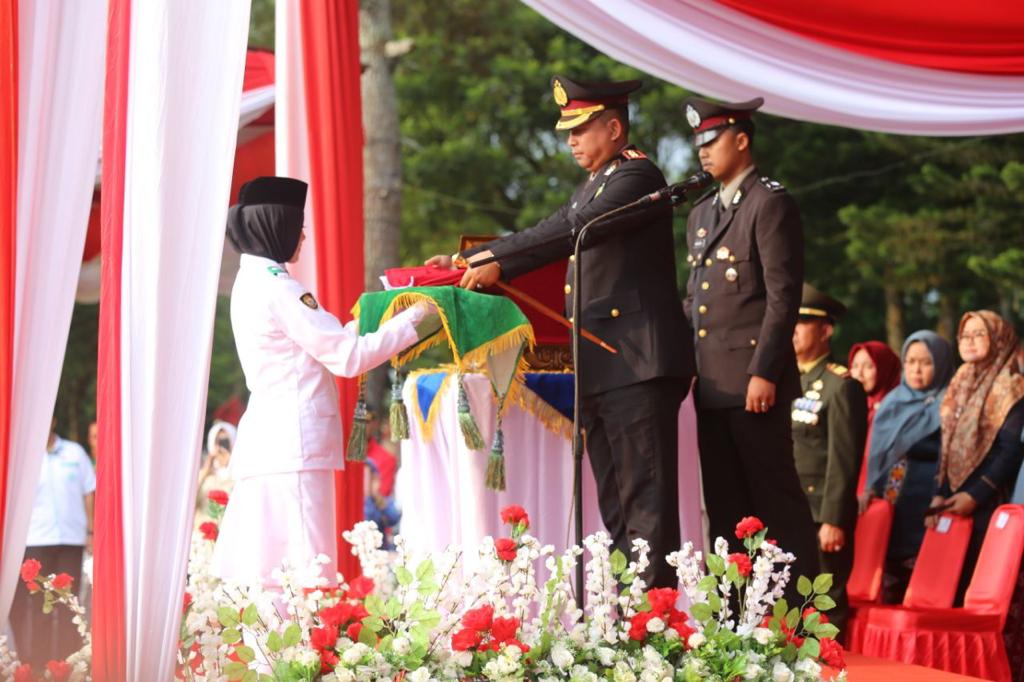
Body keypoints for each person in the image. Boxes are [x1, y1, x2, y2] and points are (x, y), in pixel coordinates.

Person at [428, 76, 694, 587]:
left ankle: (657, 630)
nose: (570, 140)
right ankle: (626, 623)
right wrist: (471, 258)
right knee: (617, 508)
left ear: (614, 128)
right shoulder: (599, 180)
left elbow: (566, 233)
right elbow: (548, 227)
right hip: (605, 364)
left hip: (638, 362)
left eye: (581, 129)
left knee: (646, 508)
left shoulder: (637, 177)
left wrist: (494, 261)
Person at [212, 176, 441, 588]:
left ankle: (273, 653)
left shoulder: (251, 282)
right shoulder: (279, 288)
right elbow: (347, 357)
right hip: (294, 447)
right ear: (276, 226)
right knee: (306, 572)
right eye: (296, 226)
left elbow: (328, 343)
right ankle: (301, 653)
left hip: (272, 441)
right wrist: (413, 316)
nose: (302, 236)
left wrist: (376, 320)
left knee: (268, 571)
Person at [681, 95, 819, 586]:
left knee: (773, 497)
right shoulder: (701, 214)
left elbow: (783, 298)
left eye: (711, 141)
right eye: (698, 144)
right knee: (726, 507)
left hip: (753, 383)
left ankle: (802, 612)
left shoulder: (769, 202)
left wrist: (765, 370)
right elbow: (694, 302)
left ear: (741, 140)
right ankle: (736, 615)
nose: (703, 152)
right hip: (712, 384)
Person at [931, 310, 1024, 603]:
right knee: (943, 589)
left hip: (989, 501)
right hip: (951, 499)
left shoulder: (1012, 386)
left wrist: (975, 494)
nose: (969, 341)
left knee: (973, 593)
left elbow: (1010, 451)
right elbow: (946, 444)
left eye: (979, 334)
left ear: (999, 339)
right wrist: (939, 492)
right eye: (964, 335)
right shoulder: (960, 381)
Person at [790, 284, 867, 635]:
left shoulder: (841, 385)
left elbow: (843, 457)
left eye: (802, 322)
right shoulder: (787, 380)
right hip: (791, 509)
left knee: (824, 605)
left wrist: (833, 519)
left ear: (825, 330)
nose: (792, 329)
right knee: (790, 605)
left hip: (821, 514)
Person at [860, 331, 954, 602]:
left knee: (920, 592)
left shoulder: (950, 404)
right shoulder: (893, 401)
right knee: (887, 584)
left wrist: (942, 493)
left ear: (941, 364)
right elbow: (876, 453)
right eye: (910, 361)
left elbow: (954, 459)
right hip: (890, 505)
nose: (916, 369)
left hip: (927, 506)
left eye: (926, 362)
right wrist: (869, 487)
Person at [10, 418, 95, 667]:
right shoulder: (23, 457)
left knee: (69, 604)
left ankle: (69, 664)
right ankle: (38, 663)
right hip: (36, 540)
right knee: (39, 606)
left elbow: (89, 491)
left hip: (71, 540)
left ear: (54, 422)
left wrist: (91, 530)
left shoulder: (74, 452)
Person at [848, 341, 902, 495]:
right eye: (855, 366)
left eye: (868, 366)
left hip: (880, 496)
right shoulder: (850, 406)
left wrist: (874, 489)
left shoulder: (895, 411)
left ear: (885, 369)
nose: (859, 374)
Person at [196, 420, 236, 523]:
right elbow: (190, 500)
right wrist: (206, 469)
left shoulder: (238, 473)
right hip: (202, 532)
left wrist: (231, 464)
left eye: (226, 441)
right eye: (218, 441)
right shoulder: (204, 473)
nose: (221, 446)